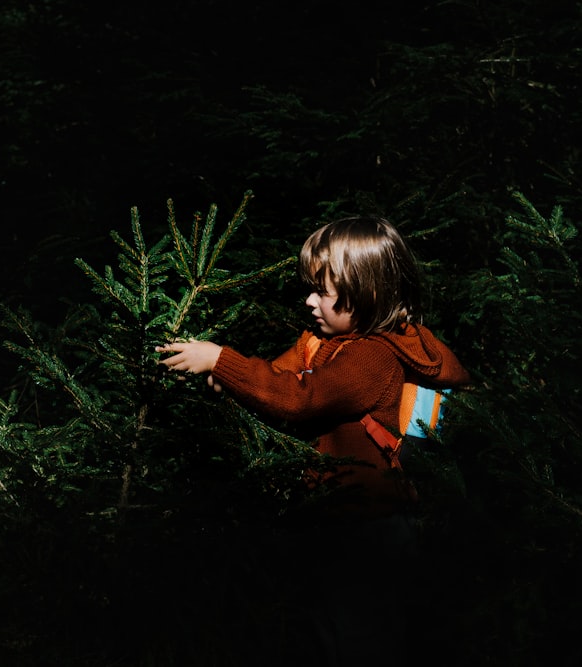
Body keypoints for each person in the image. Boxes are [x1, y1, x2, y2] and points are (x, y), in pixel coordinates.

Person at [156, 215, 471, 665]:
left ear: (370, 294)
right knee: (328, 635)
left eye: (322, 291)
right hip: (336, 523)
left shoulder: (373, 355)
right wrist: (233, 377)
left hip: (371, 532)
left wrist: (221, 360)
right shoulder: (325, 340)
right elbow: (279, 375)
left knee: (362, 642)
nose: (309, 300)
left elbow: (301, 399)